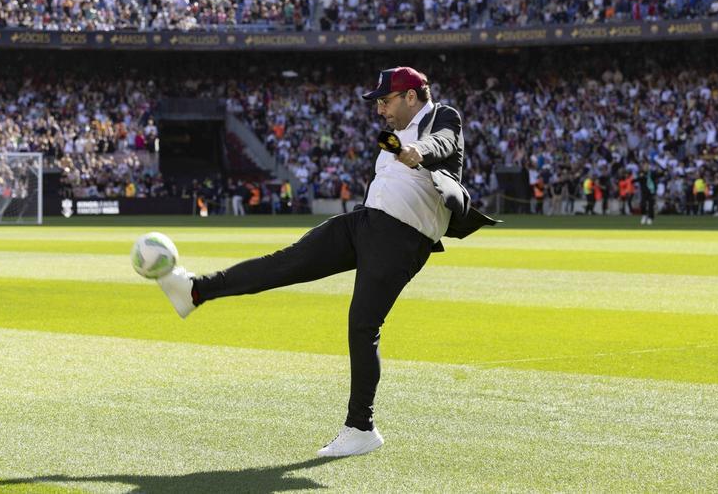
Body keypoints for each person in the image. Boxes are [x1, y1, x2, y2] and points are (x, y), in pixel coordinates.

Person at [149, 67, 497, 457]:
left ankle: (361, 427)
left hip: (402, 239)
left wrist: (419, 151)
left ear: (411, 97)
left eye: (385, 100)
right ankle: (195, 290)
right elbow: (395, 161)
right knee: (285, 262)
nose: (380, 109)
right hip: (365, 222)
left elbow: (444, 141)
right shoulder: (390, 135)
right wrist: (401, 147)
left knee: (362, 324)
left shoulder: (442, 116)